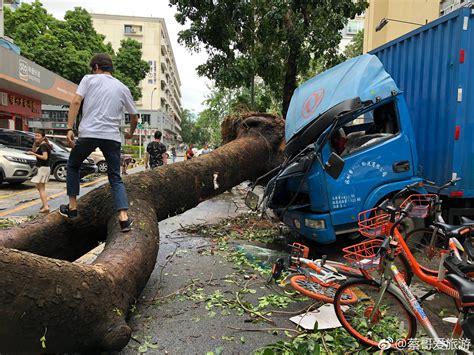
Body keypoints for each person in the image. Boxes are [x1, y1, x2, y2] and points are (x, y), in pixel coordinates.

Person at [60, 53, 137, 233]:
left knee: (73, 166)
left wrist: (69, 128)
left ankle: (72, 208)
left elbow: (76, 101)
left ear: (96, 67)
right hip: (111, 137)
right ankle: (124, 219)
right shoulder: (122, 87)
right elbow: (134, 117)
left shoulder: (88, 79)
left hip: (89, 133)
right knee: (115, 177)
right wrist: (130, 133)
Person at [26, 131, 52, 213]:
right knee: (41, 188)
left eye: (38, 136)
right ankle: (45, 204)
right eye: (35, 135)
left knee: (41, 189)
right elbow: (34, 150)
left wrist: (34, 154)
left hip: (42, 168)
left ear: (43, 137)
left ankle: (46, 206)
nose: (36, 137)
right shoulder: (43, 144)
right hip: (45, 168)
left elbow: (45, 157)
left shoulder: (44, 145)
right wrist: (35, 143)